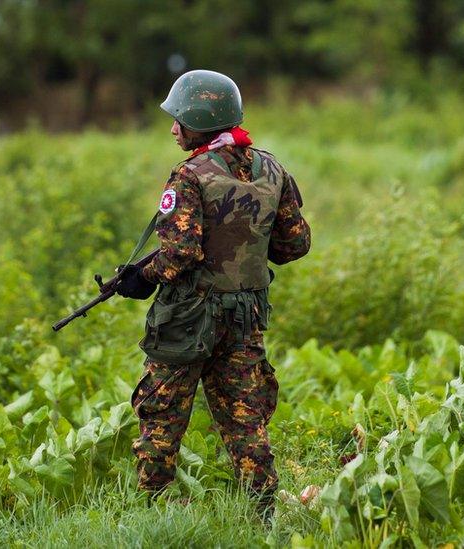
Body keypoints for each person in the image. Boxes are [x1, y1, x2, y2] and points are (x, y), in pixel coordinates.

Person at [114, 69, 311, 520]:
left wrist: (143, 278)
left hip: (188, 318)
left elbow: (180, 253)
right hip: (245, 316)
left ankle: (148, 508)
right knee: (246, 419)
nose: (172, 128)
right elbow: (296, 244)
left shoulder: (190, 175)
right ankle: (263, 514)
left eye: (178, 119)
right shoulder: (272, 168)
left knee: (162, 412)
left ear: (199, 121)